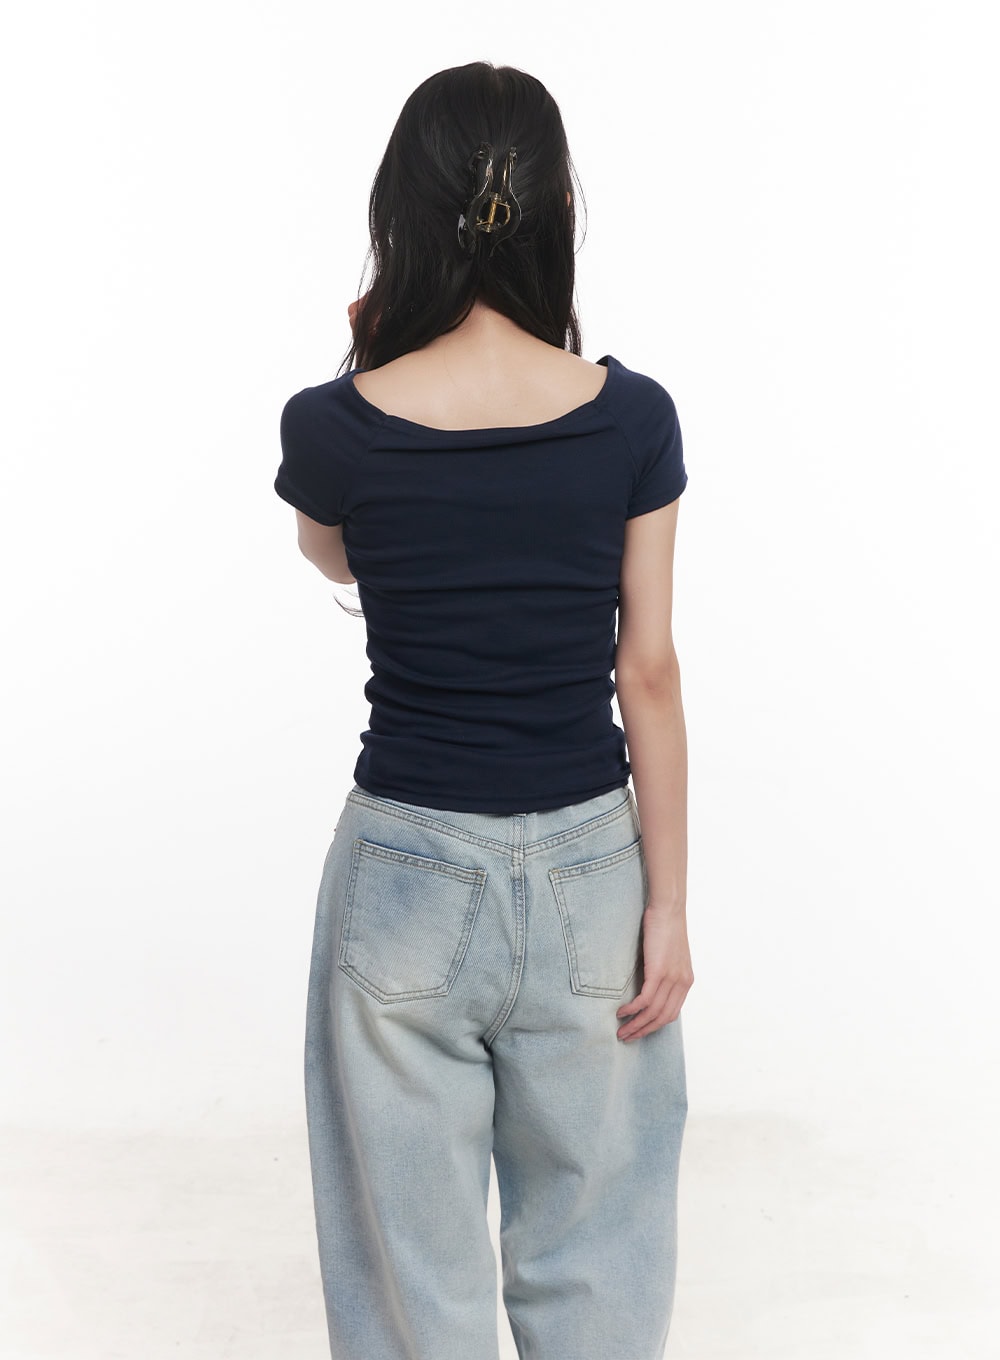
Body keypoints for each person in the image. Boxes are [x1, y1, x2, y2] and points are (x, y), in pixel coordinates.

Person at [274, 59, 694, 1360]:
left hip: (404, 869)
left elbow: (335, 556)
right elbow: (648, 670)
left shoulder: (335, 426)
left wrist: (371, 359)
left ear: (400, 211)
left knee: (412, 1275)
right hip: (593, 872)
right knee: (600, 1250)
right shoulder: (631, 419)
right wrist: (669, 907)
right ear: (561, 209)